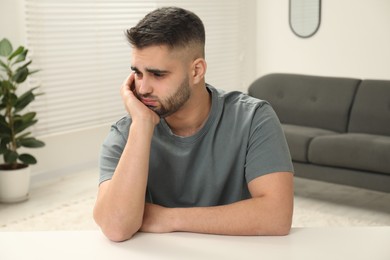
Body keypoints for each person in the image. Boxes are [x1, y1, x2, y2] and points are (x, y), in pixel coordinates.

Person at [93, 6, 294, 242]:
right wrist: (142, 127)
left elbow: (277, 217)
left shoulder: (253, 119)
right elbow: (115, 227)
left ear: (197, 71)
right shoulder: (129, 130)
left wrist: (169, 218)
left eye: (158, 75)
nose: (143, 88)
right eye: (137, 73)